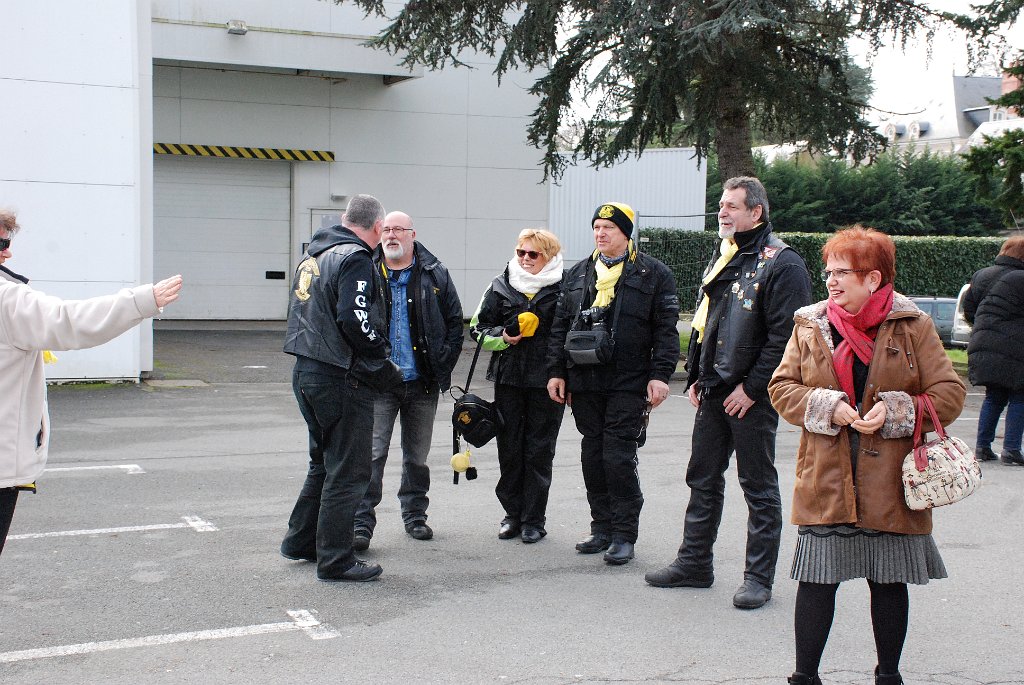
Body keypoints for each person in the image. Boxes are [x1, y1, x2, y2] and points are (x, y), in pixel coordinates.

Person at [768, 226, 966, 685]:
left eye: (843, 272)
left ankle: (888, 676)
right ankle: (804, 677)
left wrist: (896, 410)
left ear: (873, 278)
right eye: (828, 272)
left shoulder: (913, 325)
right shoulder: (810, 324)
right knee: (817, 581)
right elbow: (782, 388)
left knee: (889, 582)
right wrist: (827, 406)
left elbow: (950, 394)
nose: (831, 281)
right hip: (827, 475)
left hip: (892, 480)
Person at [645, 176, 812, 610]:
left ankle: (758, 578)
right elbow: (710, 322)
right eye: (721, 205)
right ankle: (694, 564)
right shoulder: (727, 254)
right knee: (702, 478)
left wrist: (752, 388)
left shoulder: (783, 262)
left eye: (732, 206)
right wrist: (697, 376)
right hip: (715, 388)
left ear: (756, 212)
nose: (722, 212)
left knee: (758, 486)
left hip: (750, 395)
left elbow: (786, 337)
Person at [1, 207, 183, 557]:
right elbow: (70, 320)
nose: (8, 253)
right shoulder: (7, 299)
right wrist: (142, 301)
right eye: (1, 244)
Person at [547, 202, 679, 566]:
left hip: (629, 381)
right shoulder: (578, 274)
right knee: (592, 455)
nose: (600, 233)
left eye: (609, 227)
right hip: (585, 380)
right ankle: (601, 528)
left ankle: (623, 535)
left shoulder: (653, 273)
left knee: (617, 456)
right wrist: (556, 372)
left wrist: (660, 376)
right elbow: (559, 327)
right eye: (597, 227)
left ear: (626, 233)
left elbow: (665, 331)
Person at [280, 194, 403, 583]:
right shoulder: (355, 258)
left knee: (323, 462)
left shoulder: (315, 255)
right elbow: (355, 318)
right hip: (340, 376)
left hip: (307, 370)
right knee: (349, 471)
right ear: (378, 227)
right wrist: (381, 357)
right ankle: (336, 559)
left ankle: (302, 541)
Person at [352, 211, 464, 550]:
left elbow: (455, 323)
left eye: (398, 229)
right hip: (379, 383)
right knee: (372, 456)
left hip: (422, 384)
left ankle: (415, 516)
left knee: (417, 457)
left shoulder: (435, 273)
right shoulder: (366, 269)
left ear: (412, 235)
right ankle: (361, 524)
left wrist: (442, 362)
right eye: (386, 229)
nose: (391, 235)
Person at [470, 229, 565, 543]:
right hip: (509, 380)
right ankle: (512, 515)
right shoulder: (500, 284)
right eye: (521, 252)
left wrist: (565, 375)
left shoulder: (565, 288)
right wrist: (503, 337)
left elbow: (570, 333)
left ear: (549, 256)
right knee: (509, 449)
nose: (525, 258)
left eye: (533, 254)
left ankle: (534, 520)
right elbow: (477, 329)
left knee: (539, 451)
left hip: (548, 382)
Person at [962, 235, 1024, 466]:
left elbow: (969, 310)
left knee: (994, 396)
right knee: (1019, 395)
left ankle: (982, 447)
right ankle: (1011, 450)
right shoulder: (1021, 278)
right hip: (1016, 345)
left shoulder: (982, 275)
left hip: (982, 342)